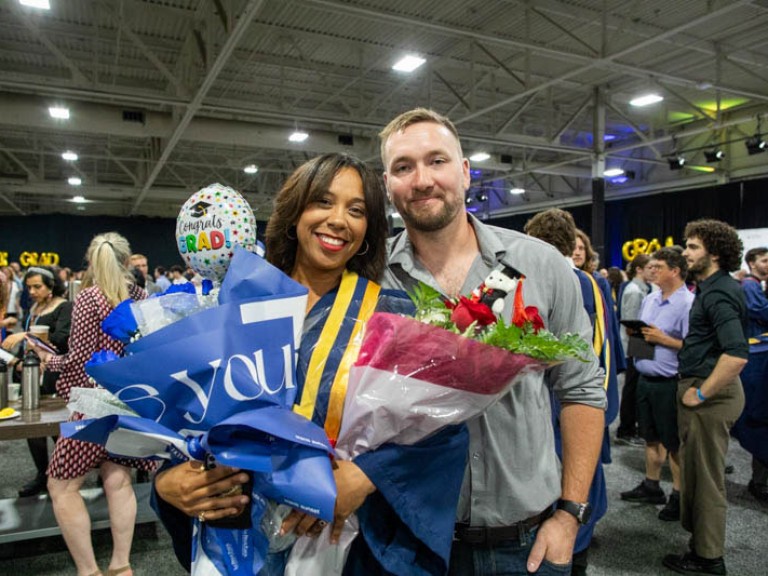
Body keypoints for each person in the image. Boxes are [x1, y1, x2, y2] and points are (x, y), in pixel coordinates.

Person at [152, 153, 468, 576]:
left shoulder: (394, 316)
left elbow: (441, 428)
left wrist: (363, 477)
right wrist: (167, 482)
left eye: (356, 210)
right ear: (295, 212)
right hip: (243, 533)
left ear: (369, 230)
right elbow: (183, 418)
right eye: (323, 202)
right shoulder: (233, 305)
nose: (339, 220)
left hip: (347, 542)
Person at [378, 108, 605, 575]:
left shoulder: (541, 265)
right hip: (411, 543)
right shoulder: (369, 278)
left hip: (526, 543)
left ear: (464, 172)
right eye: (404, 167)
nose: (422, 179)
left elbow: (581, 389)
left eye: (437, 161)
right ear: (387, 185)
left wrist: (570, 514)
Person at [27, 233, 156, 576]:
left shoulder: (88, 299)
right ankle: (121, 565)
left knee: (60, 485)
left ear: (91, 262)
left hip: (92, 407)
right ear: (127, 261)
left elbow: (81, 361)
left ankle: (89, 571)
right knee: (118, 478)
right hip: (129, 404)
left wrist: (48, 362)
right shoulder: (142, 297)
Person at [523, 208, 623, 576]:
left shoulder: (573, 281)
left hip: (563, 402)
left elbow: (584, 354)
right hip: (583, 395)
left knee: (572, 481)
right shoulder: (589, 281)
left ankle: (574, 547)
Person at [662, 219, 748, 576]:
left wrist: (700, 392)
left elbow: (737, 354)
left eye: (693, 246)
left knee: (707, 480)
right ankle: (700, 547)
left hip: (709, 395)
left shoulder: (718, 292)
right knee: (696, 475)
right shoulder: (712, 288)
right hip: (703, 391)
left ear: (714, 252)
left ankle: (709, 558)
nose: (686, 252)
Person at [619, 248, 694, 522]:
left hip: (669, 383)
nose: (652, 270)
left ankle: (678, 495)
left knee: (674, 442)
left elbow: (692, 347)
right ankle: (652, 485)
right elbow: (645, 332)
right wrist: (634, 332)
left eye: (658, 266)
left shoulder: (688, 303)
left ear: (674, 271)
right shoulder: (650, 298)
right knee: (650, 437)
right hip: (644, 378)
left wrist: (664, 340)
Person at [1, 265, 72, 497]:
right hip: (33, 373)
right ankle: (42, 473)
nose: (31, 291)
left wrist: (26, 335)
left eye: (37, 286)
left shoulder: (64, 306)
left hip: (56, 375)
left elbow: (62, 340)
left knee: (57, 427)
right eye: (29, 287)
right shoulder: (35, 307)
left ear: (51, 287)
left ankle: (64, 473)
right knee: (32, 427)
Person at [735, 247, 768, 501]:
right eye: (764, 261)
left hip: (758, 356)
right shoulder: (749, 286)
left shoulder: (756, 285)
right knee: (755, 418)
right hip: (755, 358)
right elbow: (761, 312)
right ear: (752, 263)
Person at [616, 253, 653, 446]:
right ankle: (626, 429)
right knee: (631, 388)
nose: (653, 271)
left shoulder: (644, 289)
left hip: (640, 343)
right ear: (639, 269)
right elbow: (631, 323)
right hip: (634, 344)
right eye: (649, 268)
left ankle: (633, 426)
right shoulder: (634, 291)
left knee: (636, 387)